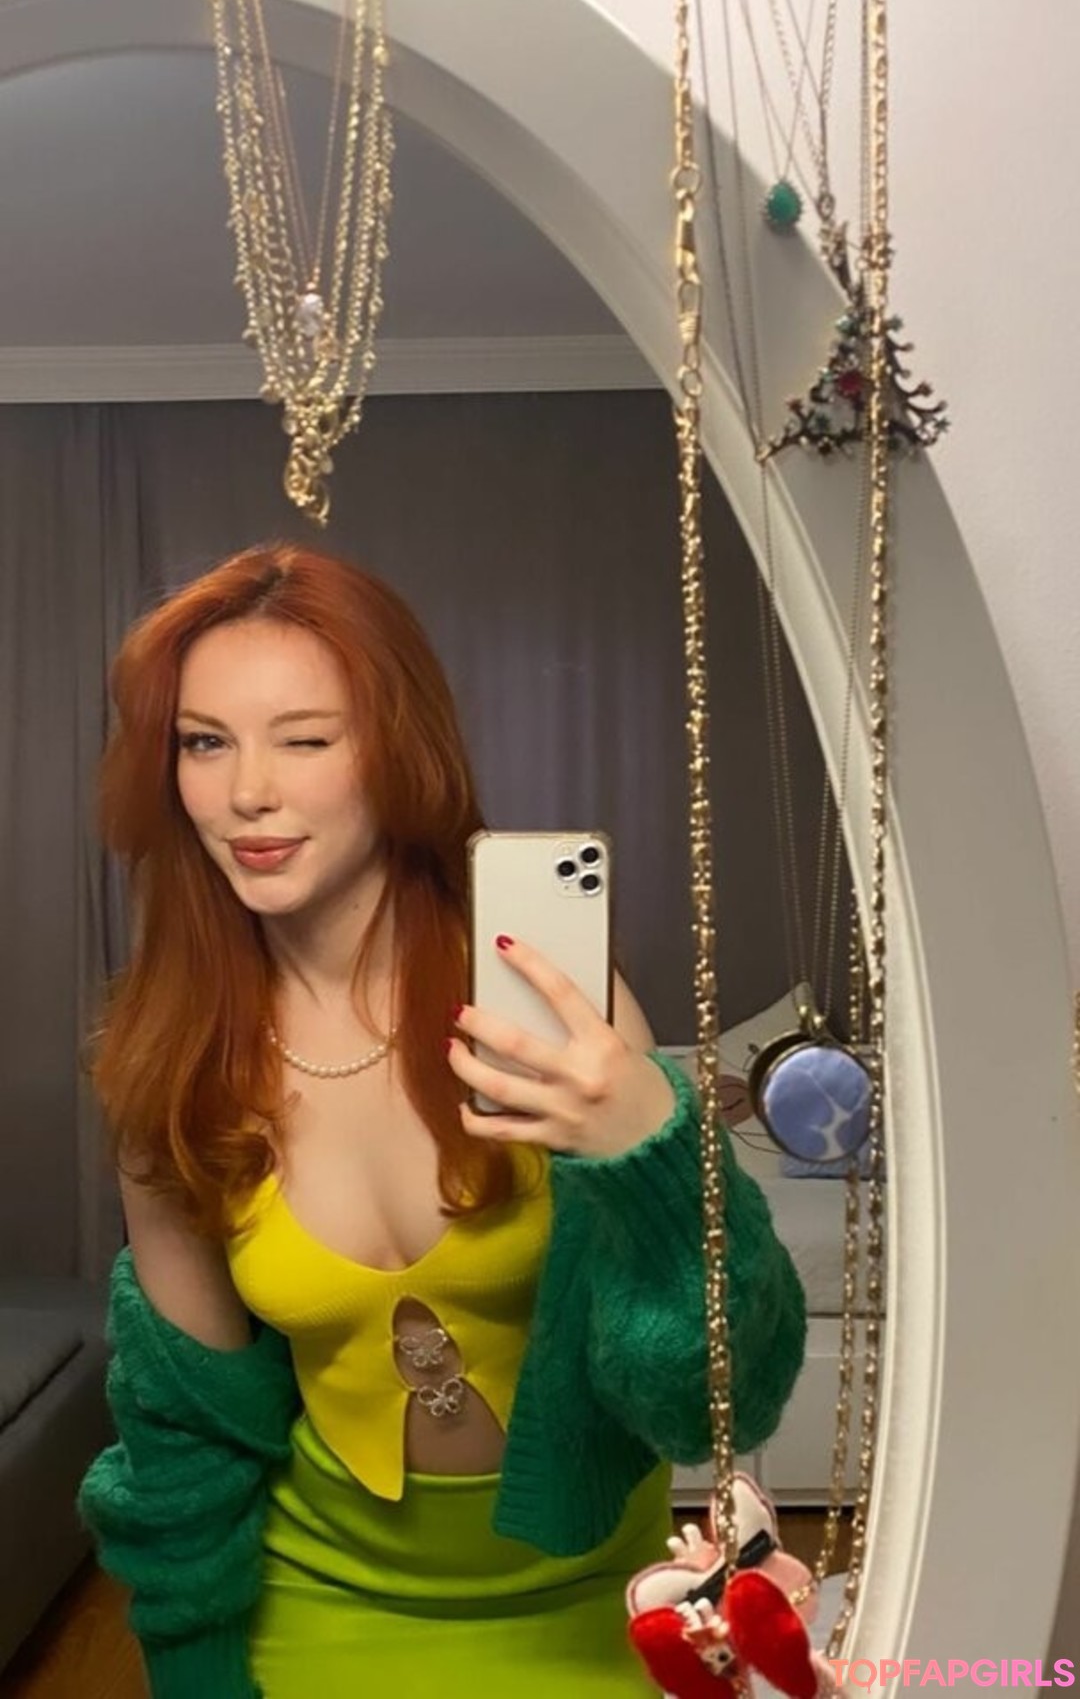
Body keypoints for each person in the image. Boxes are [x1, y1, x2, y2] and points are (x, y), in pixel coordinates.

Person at [78, 540, 807, 1699]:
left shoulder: (545, 1007)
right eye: (204, 741)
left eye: (305, 739)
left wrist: (652, 1150)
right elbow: (184, 1429)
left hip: (590, 1604)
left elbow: (714, 1401)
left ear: (394, 747)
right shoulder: (170, 1055)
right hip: (315, 1598)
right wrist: (199, 1670)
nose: (247, 790)